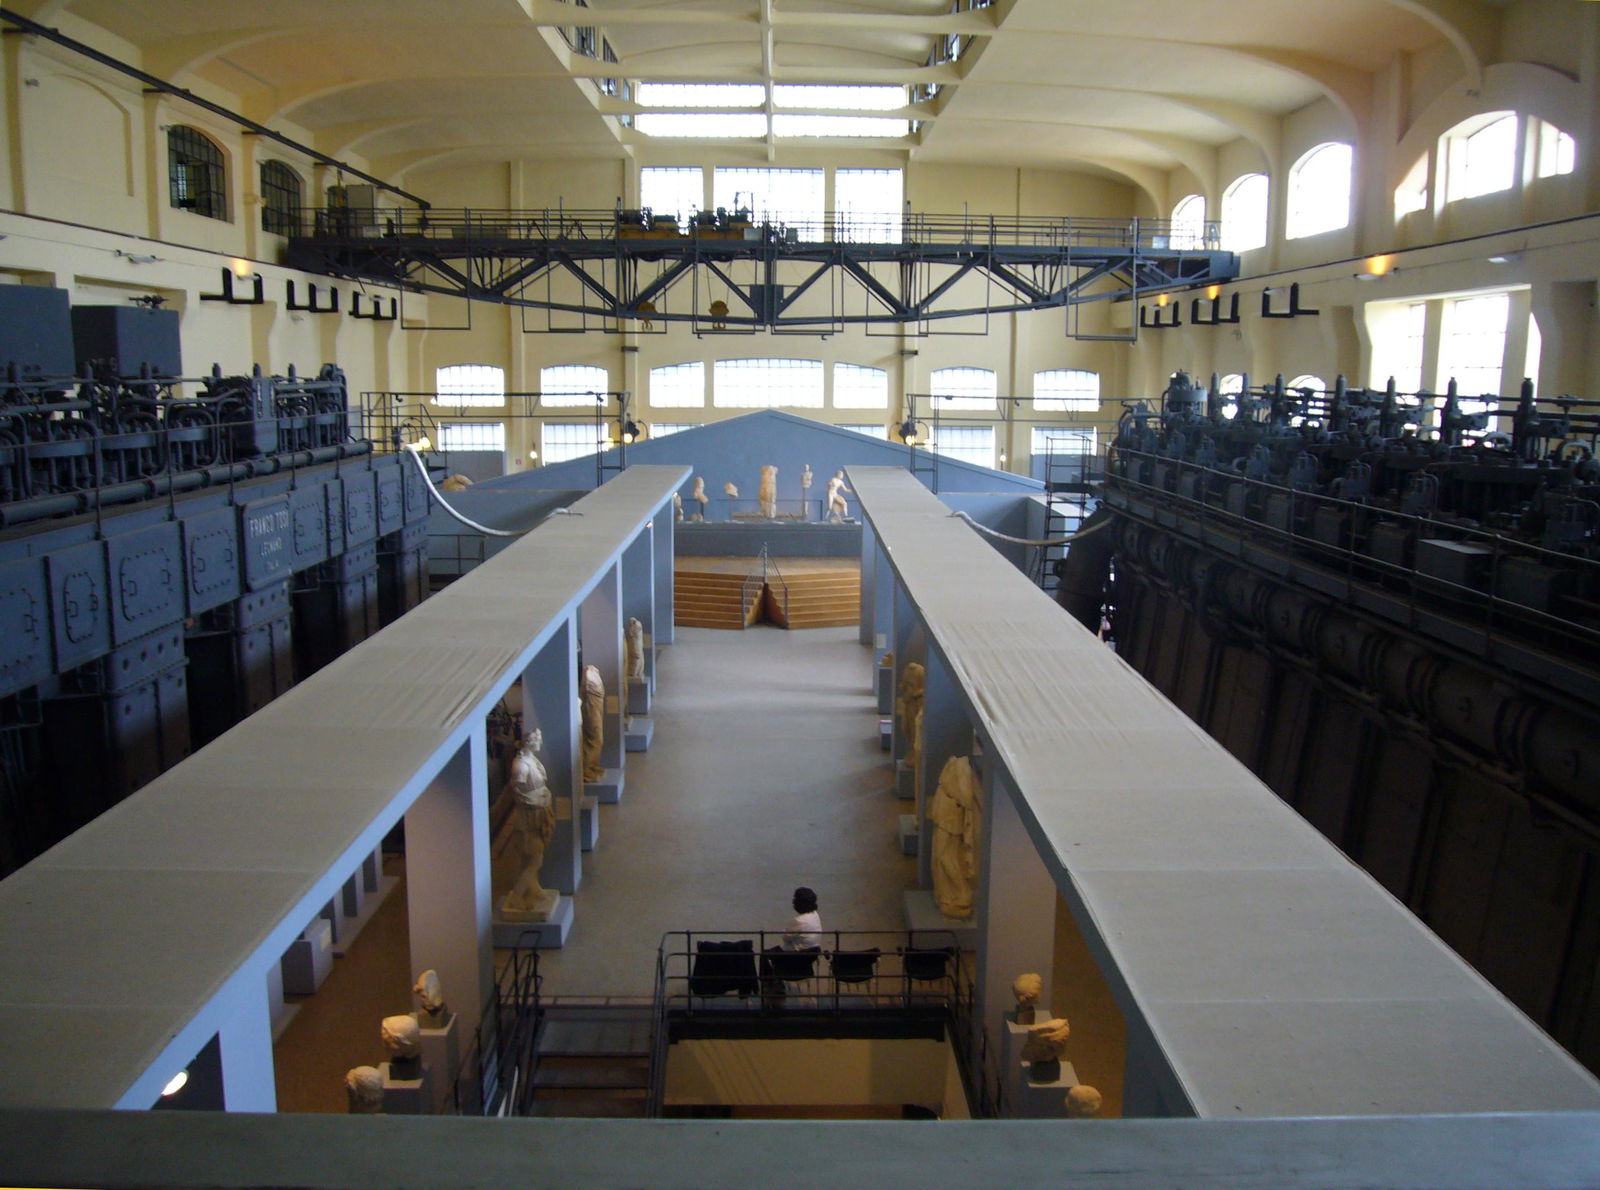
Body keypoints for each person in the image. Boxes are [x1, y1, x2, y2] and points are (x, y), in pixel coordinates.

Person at [783, 886, 821, 951]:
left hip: (797, 954)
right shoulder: (815, 915)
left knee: (765, 954)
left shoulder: (799, 920)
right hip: (812, 951)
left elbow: (785, 937)